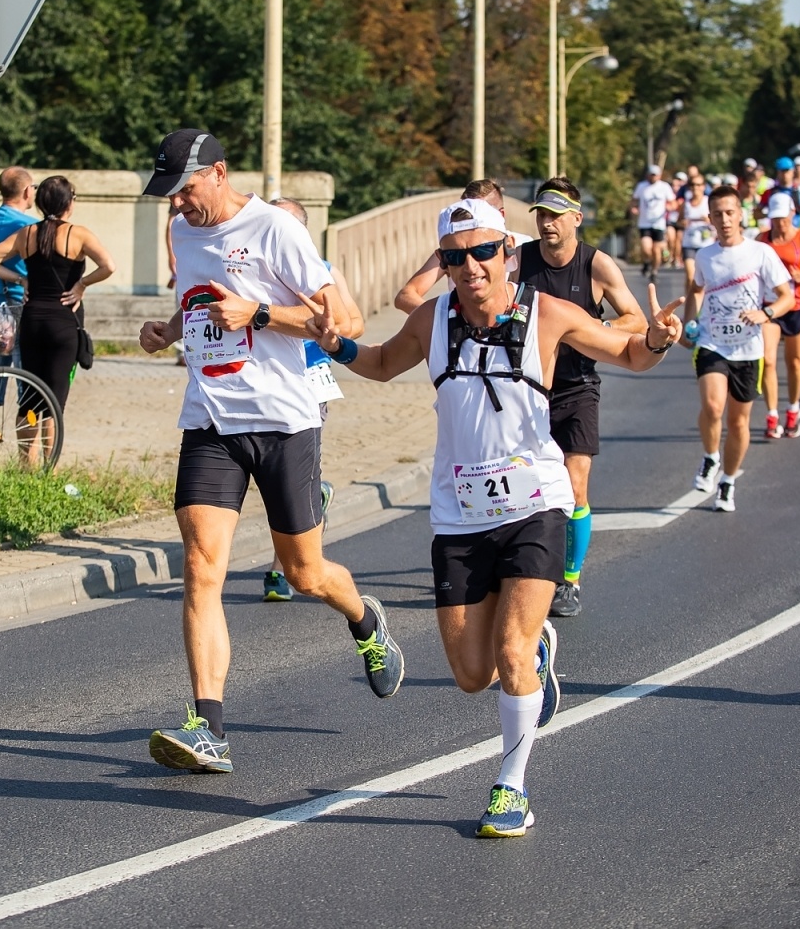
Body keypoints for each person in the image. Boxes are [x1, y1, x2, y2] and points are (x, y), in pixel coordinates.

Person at [308, 196, 682, 836]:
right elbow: (377, 364)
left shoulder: (551, 314)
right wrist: (336, 344)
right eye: (455, 257)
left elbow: (630, 356)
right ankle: (536, 649)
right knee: (471, 675)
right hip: (459, 516)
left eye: (483, 251)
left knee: (508, 653)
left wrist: (656, 338)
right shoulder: (432, 321)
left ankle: (512, 786)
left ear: (508, 253)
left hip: (536, 502)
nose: (471, 267)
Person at [136, 129, 405, 773]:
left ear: (219, 173)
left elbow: (347, 321)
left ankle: (365, 618)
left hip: (284, 422)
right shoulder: (183, 232)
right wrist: (167, 330)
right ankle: (209, 727)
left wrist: (258, 314)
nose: (176, 206)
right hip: (210, 419)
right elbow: (198, 300)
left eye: (184, 191)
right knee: (202, 568)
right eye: (169, 196)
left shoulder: (277, 231)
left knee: (301, 573)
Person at [516, 179, 646, 619]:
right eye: (540, 214)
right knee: (523, 485)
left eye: (555, 215)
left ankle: (568, 580)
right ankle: (522, 566)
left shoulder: (596, 264)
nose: (546, 223)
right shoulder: (520, 261)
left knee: (575, 484)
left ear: (577, 217)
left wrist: (596, 333)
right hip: (527, 387)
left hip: (577, 387)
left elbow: (635, 319)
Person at [260, 196, 365, 601]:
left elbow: (353, 322)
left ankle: (278, 570)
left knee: (286, 476)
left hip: (308, 380)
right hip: (262, 381)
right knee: (274, 479)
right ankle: (314, 496)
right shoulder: (251, 266)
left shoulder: (321, 271)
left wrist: (328, 331)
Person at [681, 185, 796, 511]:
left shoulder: (760, 252)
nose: (725, 219)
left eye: (730, 212)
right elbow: (697, 289)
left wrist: (766, 313)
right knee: (714, 407)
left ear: (740, 214)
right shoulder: (705, 255)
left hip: (747, 348)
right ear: (710, 218)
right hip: (712, 342)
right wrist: (690, 324)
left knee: (738, 422)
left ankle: (728, 482)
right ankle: (710, 456)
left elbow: (786, 296)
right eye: (718, 214)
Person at [0, 175, 116, 415]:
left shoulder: (26, 234)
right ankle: (50, 453)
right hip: (64, 323)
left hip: (32, 321)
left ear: (39, 203)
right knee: (53, 404)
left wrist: (21, 279)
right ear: (69, 203)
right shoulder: (79, 234)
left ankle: (27, 454)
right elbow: (108, 266)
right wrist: (81, 284)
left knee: (29, 401)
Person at [756, 193, 800, 437]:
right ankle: (772, 415)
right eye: (775, 218)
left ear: (792, 213)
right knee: (767, 360)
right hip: (770, 306)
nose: (780, 223)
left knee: (794, 362)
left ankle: (793, 409)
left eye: (784, 217)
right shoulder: (761, 240)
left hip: (796, 306)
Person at [394, 179, 526, 312]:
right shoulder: (451, 251)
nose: (470, 267)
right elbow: (406, 296)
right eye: (466, 208)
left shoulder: (524, 246)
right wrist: (444, 321)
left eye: (484, 251)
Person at [0, 166, 40, 379]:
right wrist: (22, 279)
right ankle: (24, 412)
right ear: (27, 191)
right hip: (22, 302)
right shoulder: (31, 226)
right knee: (24, 373)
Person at [632, 164, 677, 277]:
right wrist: (634, 208)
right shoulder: (642, 186)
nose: (653, 177)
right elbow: (634, 200)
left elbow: (673, 202)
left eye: (655, 175)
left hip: (659, 223)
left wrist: (670, 207)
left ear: (659, 175)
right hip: (645, 222)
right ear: (648, 175)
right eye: (651, 175)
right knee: (646, 248)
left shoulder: (664, 187)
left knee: (657, 250)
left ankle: (654, 270)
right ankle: (647, 262)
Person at [677, 170, 714, 286]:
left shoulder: (709, 202)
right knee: (690, 276)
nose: (695, 188)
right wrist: (682, 223)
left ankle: (701, 302)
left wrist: (709, 220)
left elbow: (718, 221)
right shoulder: (685, 204)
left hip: (706, 244)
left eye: (698, 185)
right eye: (692, 185)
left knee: (704, 278)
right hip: (689, 243)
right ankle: (689, 302)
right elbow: (678, 221)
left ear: (703, 187)